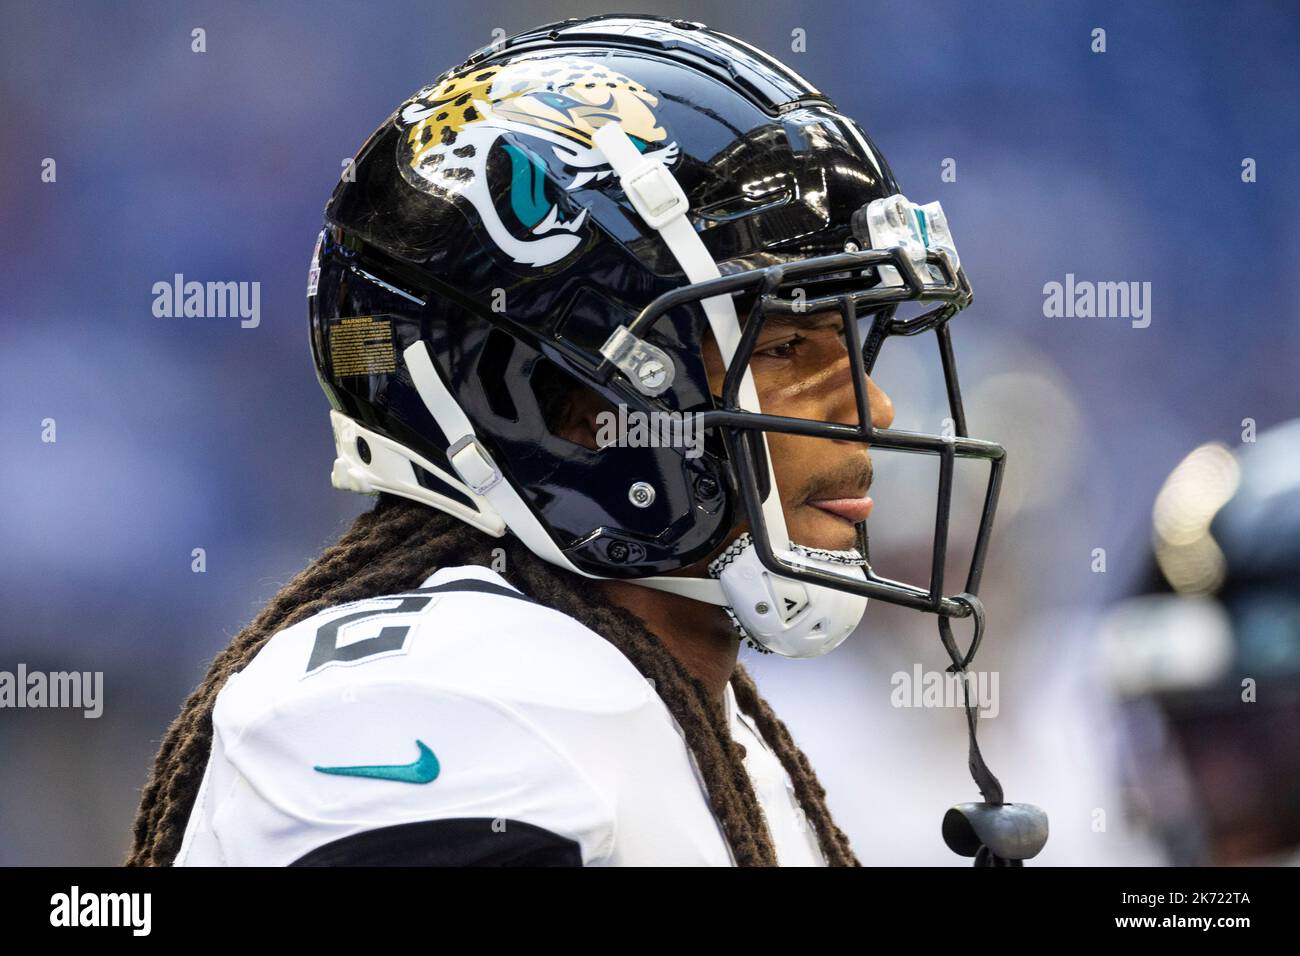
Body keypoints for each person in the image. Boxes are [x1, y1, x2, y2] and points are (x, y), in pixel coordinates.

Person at [128, 14, 1033, 866]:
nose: (875, 407)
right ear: (555, 400)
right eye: (789, 345)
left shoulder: (693, 713)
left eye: (856, 337)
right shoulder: (443, 697)